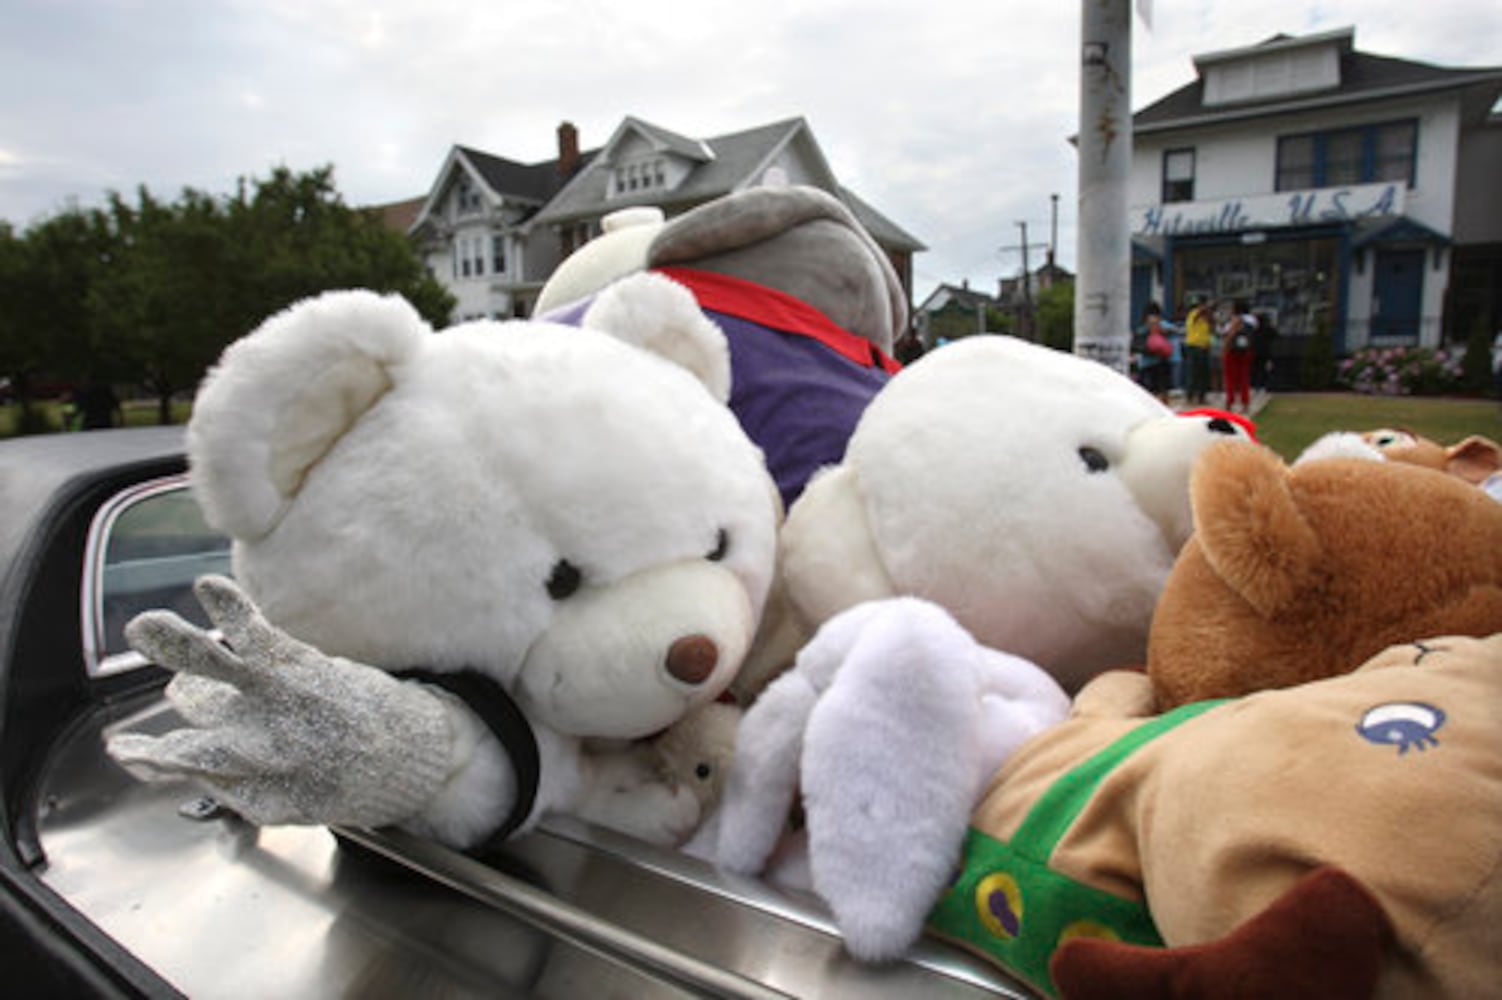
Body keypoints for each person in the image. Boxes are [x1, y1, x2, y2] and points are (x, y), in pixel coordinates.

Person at [1219, 299, 1256, 413]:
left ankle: (1230, 402)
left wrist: (1225, 348)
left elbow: (1230, 334)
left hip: (1232, 350)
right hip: (1246, 350)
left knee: (1230, 378)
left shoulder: (1235, 319)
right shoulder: (1252, 320)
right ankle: (1245, 403)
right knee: (1244, 377)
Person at [1134, 302, 1172, 403]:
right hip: (1158, 361)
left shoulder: (1142, 328)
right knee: (1161, 388)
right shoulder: (1160, 326)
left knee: (1149, 390)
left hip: (1147, 363)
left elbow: (1137, 344)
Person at [1182, 295, 1213, 405]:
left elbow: (1211, 326)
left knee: (1203, 374)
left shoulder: (1207, 318)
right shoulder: (1193, 314)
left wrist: (1209, 315)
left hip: (1204, 346)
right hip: (1193, 346)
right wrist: (1203, 310)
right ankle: (1189, 396)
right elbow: (1195, 318)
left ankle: (1201, 396)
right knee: (1193, 372)